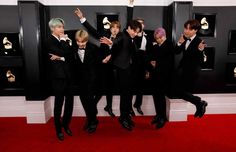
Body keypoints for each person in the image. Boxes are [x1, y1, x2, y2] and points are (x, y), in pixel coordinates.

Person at [74, 8, 121, 117]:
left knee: (110, 88)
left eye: (117, 27)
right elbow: (92, 31)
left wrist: (111, 48)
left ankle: (108, 107)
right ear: (110, 28)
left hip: (113, 67)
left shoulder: (121, 38)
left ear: (119, 29)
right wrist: (82, 18)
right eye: (113, 27)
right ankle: (93, 105)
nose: (114, 29)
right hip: (101, 66)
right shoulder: (104, 35)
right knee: (100, 88)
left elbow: (120, 51)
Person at [100, 20, 142, 131]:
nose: (135, 33)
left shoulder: (131, 38)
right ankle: (123, 118)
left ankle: (126, 117)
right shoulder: (123, 36)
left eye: (137, 32)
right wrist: (111, 43)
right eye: (134, 31)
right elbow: (117, 42)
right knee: (125, 95)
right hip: (122, 70)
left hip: (129, 70)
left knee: (128, 95)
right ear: (129, 27)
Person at [45, 18, 74, 141]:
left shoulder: (66, 39)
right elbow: (62, 51)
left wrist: (61, 57)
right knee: (59, 104)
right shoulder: (49, 41)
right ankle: (58, 129)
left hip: (68, 76)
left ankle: (66, 125)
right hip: (58, 78)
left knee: (69, 103)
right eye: (59, 27)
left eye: (62, 27)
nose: (62, 29)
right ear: (52, 28)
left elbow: (71, 56)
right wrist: (63, 44)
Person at [175, 19, 208, 118]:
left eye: (189, 29)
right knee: (176, 91)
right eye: (185, 28)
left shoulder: (199, 41)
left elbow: (202, 61)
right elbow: (176, 51)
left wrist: (200, 50)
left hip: (192, 72)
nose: (186, 31)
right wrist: (179, 43)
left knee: (179, 91)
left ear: (195, 30)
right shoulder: (184, 38)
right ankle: (199, 103)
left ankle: (199, 103)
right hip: (182, 70)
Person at [127, 0, 152, 115]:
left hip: (143, 63)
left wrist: (147, 69)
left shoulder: (148, 36)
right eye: (138, 23)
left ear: (144, 25)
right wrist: (131, 6)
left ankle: (138, 105)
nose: (140, 25)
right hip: (133, 63)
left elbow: (148, 54)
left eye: (141, 23)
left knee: (141, 87)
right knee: (131, 86)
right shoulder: (132, 35)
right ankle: (129, 108)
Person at [147, 28, 174, 129]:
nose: (157, 40)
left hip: (164, 76)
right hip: (155, 75)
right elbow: (151, 57)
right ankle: (158, 115)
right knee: (156, 96)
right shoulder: (157, 45)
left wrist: (156, 62)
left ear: (163, 36)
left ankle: (162, 118)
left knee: (161, 98)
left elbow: (167, 60)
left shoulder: (169, 44)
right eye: (156, 38)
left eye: (158, 38)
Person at [72, 30, 99, 133]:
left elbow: (98, 65)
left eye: (82, 42)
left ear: (87, 40)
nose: (80, 44)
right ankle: (90, 118)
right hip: (80, 80)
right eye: (78, 41)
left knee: (90, 101)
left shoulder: (94, 48)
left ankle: (94, 121)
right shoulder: (73, 48)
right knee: (84, 100)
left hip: (92, 79)